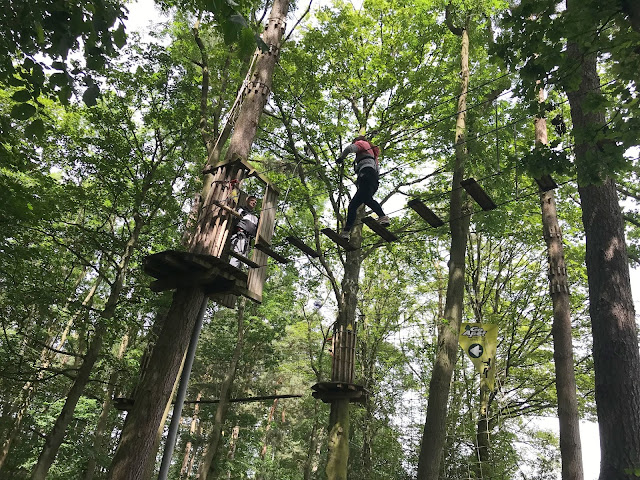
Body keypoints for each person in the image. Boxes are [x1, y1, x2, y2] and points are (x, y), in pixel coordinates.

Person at [336, 136, 389, 238]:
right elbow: (376, 171)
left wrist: (341, 158)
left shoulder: (362, 143)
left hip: (366, 174)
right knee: (353, 206)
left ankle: (383, 216)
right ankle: (346, 232)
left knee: (366, 199)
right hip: (372, 179)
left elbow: (349, 148)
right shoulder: (373, 156)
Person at [229, 195, 259, 268]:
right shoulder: (241, 209)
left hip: (248, 239)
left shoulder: (255, 217)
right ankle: (231, 269)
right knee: (238, 254)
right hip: (240, 235)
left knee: (243, 258)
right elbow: (240, 214)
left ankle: (237, 271)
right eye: (252, 200)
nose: (254, 203)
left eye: (255, 202)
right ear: (247, 200)